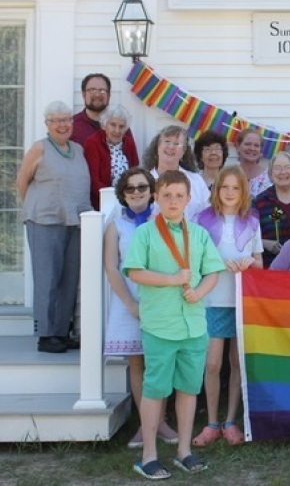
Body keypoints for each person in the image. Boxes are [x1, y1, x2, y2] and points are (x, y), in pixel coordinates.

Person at [124, 170, 224, 479]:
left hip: (193, 325)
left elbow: (213, 272)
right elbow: (134, 272)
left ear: (188, 199)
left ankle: (184, 451)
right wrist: (171, 280)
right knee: (155, 390)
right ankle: (149, 455)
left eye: (179, 195)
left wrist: (200, 292)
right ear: (156, 196)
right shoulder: (145, 234)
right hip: (160, 325)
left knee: (188, 389)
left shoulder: (199, 234)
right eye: (166, 195)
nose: (173, 201)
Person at [103, 168, 179, 449]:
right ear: (123, 194)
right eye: (131, 189)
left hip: (160, 295)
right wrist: (130, 304)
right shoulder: (116, 223)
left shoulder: (163, 218)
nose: (137, 193)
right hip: (129, 298)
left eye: (142, 187)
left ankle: (160, 422)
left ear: (151, 191)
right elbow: (111, 266)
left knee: (160, 360)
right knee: (137, 362)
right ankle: (144, 424)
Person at [193, 165, 263, 448]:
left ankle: (231, 420)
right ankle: (211, 422)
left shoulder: (252, 221)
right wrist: (221, 265)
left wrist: (248, 263)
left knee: (237, 363)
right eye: (225, 187)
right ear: (217, 190)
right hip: (212, 299)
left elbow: (259, 262)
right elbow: (195, 261)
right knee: (212, 364)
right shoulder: (202, 219)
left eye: (236, 188)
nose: (230, 193)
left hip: (241, 300)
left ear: (243, 191)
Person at [16, 101, 92, 353]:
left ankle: (62, 331)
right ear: (47, 124)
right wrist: (38, 205)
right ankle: (45, 334)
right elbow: (22, 182)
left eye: (67, 119)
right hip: (44, 220)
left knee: (69, 279)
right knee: (47, 278)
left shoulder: (78, 149)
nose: (63, 124)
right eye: (56, 120)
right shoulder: (40, 148)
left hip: (73, 221)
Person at [143, 125, 211, 221]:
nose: (171, 147)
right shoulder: (143, 182)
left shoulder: (196, 181)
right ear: (157, 147)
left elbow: (209, 214)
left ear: (183, 152)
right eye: (167, 141)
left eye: (176, 144)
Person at [83, 105, 140, 210]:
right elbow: (93, 180)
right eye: (113, 125)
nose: (117, 130)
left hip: (128, 202)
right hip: (102, 203)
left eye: (121, 126)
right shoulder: (93, 143)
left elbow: (136, 172)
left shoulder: (129, 143)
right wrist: (115, 199)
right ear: (105, 125)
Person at [71, 72, 138, 149]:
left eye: (102, 90)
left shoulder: (120, 125)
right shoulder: (72, 126)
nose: (97, 95)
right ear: (83, 94)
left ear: (109, 95)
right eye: (92, 90)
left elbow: (132, 159)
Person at [235, 128, 271, 197]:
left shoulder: (269, 177)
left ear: (261, 150)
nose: (252, 148)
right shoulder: (229, 174)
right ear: (238, 147)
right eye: (247, 144)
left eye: (256, 145)